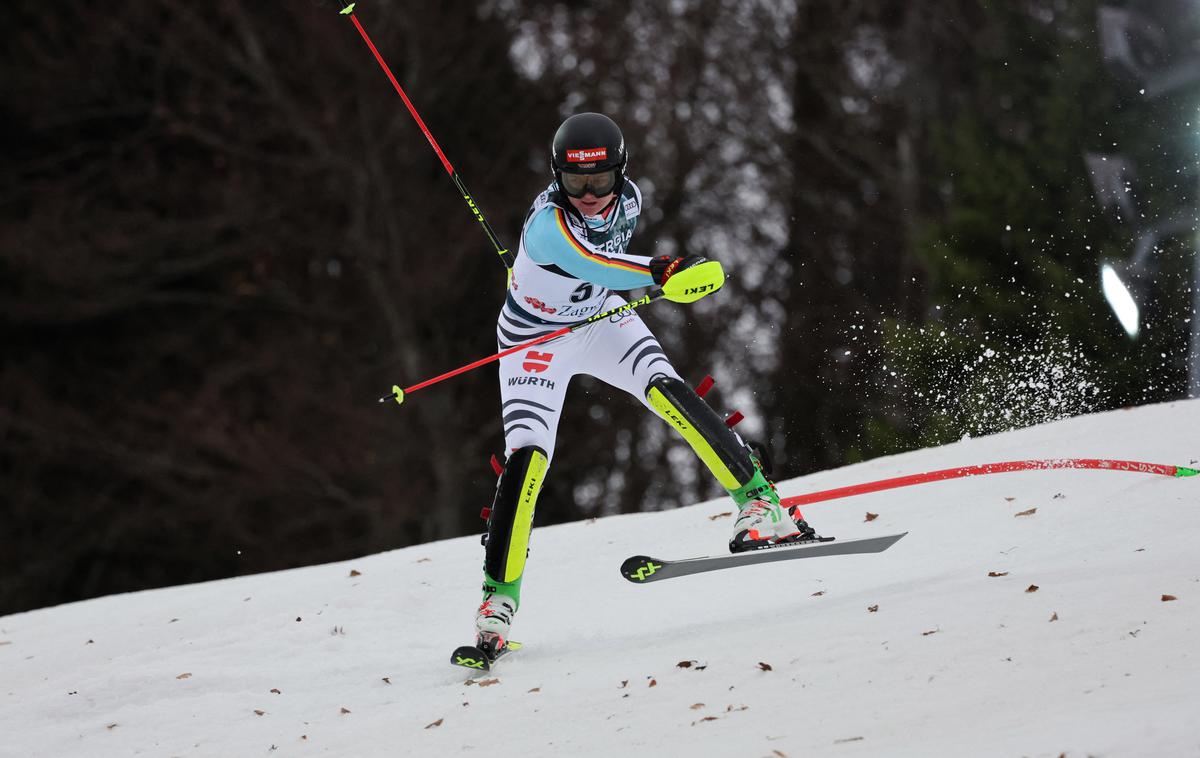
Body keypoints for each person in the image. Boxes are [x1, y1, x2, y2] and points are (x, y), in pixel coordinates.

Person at [472, 113, 819, 656]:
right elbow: (595, 262)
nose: (589, 194)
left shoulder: (629, 199)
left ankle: (759, 502)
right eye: (575, 182)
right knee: (528, 458)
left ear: (621, 172)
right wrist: (662, 270)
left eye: (600, 180)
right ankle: (498, 599)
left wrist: (644, 275)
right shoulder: (547, 224)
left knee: (665, 388)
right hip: (532, 341)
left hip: (598, 320)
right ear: (556, 177)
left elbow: (601, 272)